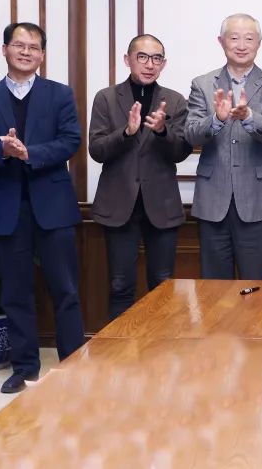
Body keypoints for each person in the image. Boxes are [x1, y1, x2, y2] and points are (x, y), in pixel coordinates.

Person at [0, 22, 83, 394]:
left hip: (53, 206)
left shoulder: (59, 94)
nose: (26, 52)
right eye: (19, 45)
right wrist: (1, 150)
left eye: (34, 47)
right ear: (5, 50)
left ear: (42, 55)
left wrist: (29, 153)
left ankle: (73, 367)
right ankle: (25, 368)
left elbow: (70, 140)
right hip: (6, 208)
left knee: (66, 290)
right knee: (16, 293)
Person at [88, 34, 192, 320]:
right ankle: (120, 346)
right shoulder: (106, 98)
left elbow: (181, 152)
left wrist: (162, 131)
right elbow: (96, 150)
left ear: (163, 64)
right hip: (119, 205)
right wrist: (126, 133)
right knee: (120, 285)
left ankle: (160, 347)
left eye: (156, 58)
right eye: (142, 57)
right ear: (128, 60)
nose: (150, 64)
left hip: (162, 206)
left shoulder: (174, 100)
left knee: (163, 285)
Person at [185, 14, 262, 280]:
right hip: (212, 200)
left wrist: (250, 117)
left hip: (257, 201)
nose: (241, 45)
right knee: (214, 288)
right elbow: (191, 134)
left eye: (249, 38)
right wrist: (216, 119)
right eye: (234, 38)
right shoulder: (202, 84)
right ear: (221, 42)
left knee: (258, 287)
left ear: (259, 43)